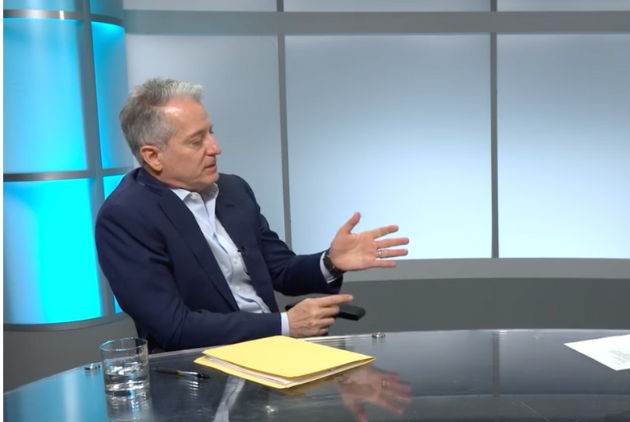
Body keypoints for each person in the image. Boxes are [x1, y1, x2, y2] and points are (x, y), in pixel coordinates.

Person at [94, 78, 409, 352]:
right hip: (201, 372)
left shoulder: (233, 190)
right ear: (153, 156)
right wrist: (285, 325)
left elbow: (280, 269)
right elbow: (175, 328)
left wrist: (330, 262)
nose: (215, 148)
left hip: (275, 354)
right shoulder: (126, 217)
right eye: (196, 140)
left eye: (211, 133)